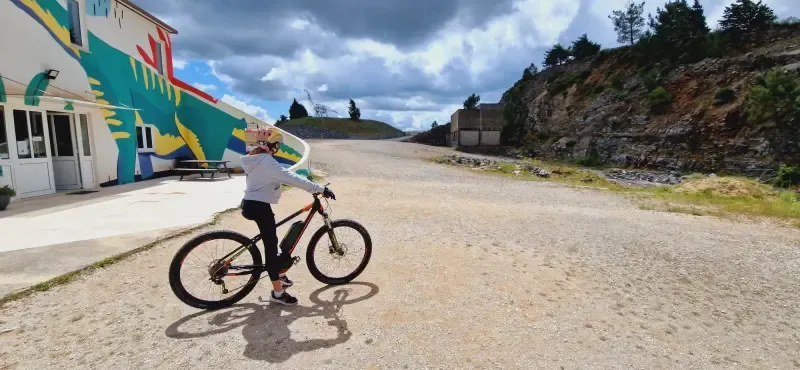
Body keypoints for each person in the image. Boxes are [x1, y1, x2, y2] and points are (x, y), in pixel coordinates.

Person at [240, 127, 334, 306]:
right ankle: (277, 293)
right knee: (270, 248)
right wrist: (320, 188)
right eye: (277, 146)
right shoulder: (266, 162)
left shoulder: (254, 158)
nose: (278, 149)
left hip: (252, 204)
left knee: (272, 240)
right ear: (270, 145)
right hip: (259, 207)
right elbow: (291, 178)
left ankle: (280, 275)